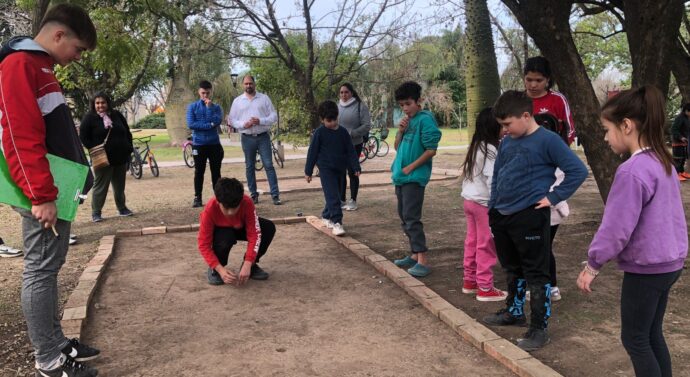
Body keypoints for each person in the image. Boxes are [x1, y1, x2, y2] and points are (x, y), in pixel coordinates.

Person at [0, 4, 101, 376]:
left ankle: (56, 343)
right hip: (41, 190)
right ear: (58, 35)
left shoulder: (40, 65)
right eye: (77, 49)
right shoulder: (20, 65)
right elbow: (20, 134)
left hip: (57, 185)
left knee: (51, 265)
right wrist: (40, 196)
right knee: (41, 270)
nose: (76, 58)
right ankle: (48, 361)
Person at [578, 86, 687, 377]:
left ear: (626, 125)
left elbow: (616, 229)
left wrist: (593, 264)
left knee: (635, 339)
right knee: (651, 334)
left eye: (606, 129)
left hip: (647, 269)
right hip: (669, 264)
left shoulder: (632, 170)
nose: (604, 137)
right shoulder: (663, 162)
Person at [482, 90, 587, 352]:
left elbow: (578, 171)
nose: (504, 130)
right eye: (502, 125)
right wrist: (493, 205)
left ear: (526, 116)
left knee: (536, 273)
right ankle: (514, 312)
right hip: (502, 215)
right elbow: (499, 174)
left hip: (530, 216)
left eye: (508, 124)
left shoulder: (548, 141)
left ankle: (539, 328)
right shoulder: (507, 141)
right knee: (511, 267)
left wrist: (554, 197)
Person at [524, 56, 577, 302]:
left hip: (552, 174)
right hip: (525, 175)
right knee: (531, 236)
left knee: (543, 236)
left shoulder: (557, 100)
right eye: (529, 79)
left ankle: (548, 285)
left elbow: (568, 135)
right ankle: (538, 284)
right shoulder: (518, 100)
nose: (533, 85)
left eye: (539, 80)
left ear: (548, 80)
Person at [390, 81, 442, 278]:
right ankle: (413, 254)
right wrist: (401, 130)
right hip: (400, 177)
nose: (405, 108)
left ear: (418, 101)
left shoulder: (425, 120)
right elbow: (396, 147)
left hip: (414, 178)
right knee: (404, 217)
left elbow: (431, 150)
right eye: (401, 104)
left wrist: (412, 167)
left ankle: (423, 260)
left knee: (412, 218)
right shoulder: (406, 120)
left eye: (408, 104)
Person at [460, 108, 506, 302]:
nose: (505, 128)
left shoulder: (476, 145)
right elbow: (491, 179)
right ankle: (485, 287)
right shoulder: (490, 149)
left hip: (469, 201)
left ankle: (469, 281)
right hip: (483, 204)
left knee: (472, 241)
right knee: (486, 244)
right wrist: (497, 203)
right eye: (502, 124)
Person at [198, 177, 275, 285]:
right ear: (218, 201)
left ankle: (252, 266)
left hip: (240, 227)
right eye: (226, 207)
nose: (230, 212)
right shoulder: (209, 210)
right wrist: (220, 269)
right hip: (222, 232)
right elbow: (203, 244)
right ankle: (215, 269)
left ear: (241, 200)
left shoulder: (247, 202)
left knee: (268, 228)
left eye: (234, 207)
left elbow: (254, 234)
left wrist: (248, 263)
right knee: (225, 237)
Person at [305, 100, 361, 236]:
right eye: (328, 121)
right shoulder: (319, 133)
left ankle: (325, 215)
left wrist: (355, 166)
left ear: (338, 117)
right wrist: (308, 171)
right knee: (333, 196)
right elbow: (312, 152)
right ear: (322, 119)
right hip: (326, 169)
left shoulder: (343, 133)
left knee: (335, 195)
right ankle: (337, 222)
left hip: (340, 169)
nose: (332, 123)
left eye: (334, 120)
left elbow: (350, 151)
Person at [79, 92, 134, 222]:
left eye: (103, 102)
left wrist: (128, 147)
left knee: (119, 186)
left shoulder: (117, 115)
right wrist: (95, 149)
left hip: (120, 157)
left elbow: (126, 132)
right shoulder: (89, 118)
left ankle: (122, 208)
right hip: (102, 158)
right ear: (93, 104)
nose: (100, 105)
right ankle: (96, 212)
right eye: (97, 103)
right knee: (100, 186)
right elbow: (84, 138)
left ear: (108, 103)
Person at [228, 75, 281, 205]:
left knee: (268, 165)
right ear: (242, 85)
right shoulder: (237, 101)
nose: (248, 86)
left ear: (254, 84)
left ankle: (275, 195)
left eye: (250, 83)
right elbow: (232, 120)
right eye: (246, 84)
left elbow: (274, 116)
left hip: (263, 136)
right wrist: (243, 124)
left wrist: (261, 121)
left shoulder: (264, 98)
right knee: (249, 166)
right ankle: (253, 194)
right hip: (247, 138)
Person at [187, 80, 224, 208]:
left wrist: (209, 108)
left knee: (216, 172)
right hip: (199, 145)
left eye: (208, 93)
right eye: (203, 93)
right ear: (199, 92)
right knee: (199, 172)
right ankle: (197, 197)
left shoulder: (216, 107)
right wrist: (209, 126)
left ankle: (218, 198)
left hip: (214, 145)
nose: (205, 96)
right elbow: (191, 124)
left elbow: (217, 121)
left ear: (211, 92)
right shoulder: (192, 107)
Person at [337, 83, 371, 211]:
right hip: (339, 145)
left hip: (354, 144)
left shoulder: (360, 106)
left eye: (346, 92)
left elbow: (367, 125)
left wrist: (352, 133)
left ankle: (353, 200)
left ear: (351, 92)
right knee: (340, 172)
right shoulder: (337, 106)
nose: (343, 95)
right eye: (341, 92)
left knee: (352, 172)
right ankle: (341, 199)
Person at [670, 102, 690, 182]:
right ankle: (676, 174)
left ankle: (682, 173)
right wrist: (680, 137)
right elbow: (673, 130)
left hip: (684, 142)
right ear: (686, 111)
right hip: (677, 142)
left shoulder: (687, 118)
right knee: (678, 160)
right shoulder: (680, 118)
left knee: (683, 159)